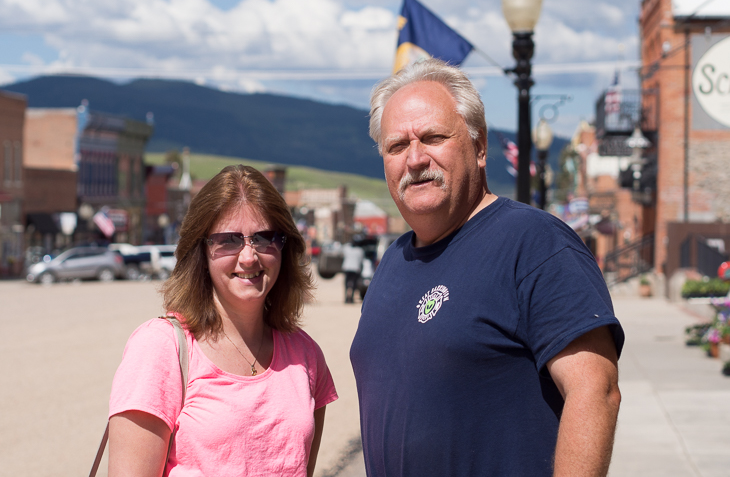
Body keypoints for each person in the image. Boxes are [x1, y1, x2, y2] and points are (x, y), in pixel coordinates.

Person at [350, 59, 624, 476]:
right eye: (397, 146)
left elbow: (595, 392)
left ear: (479, 149)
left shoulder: (533, 243)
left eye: (433, 137)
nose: (415, 158)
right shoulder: (394, 260)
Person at [108, 165, 338, 477]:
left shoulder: (306, 356)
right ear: (200, 251)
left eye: (265, 237)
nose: (249, 257)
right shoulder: (160, 349)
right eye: (228, 240)